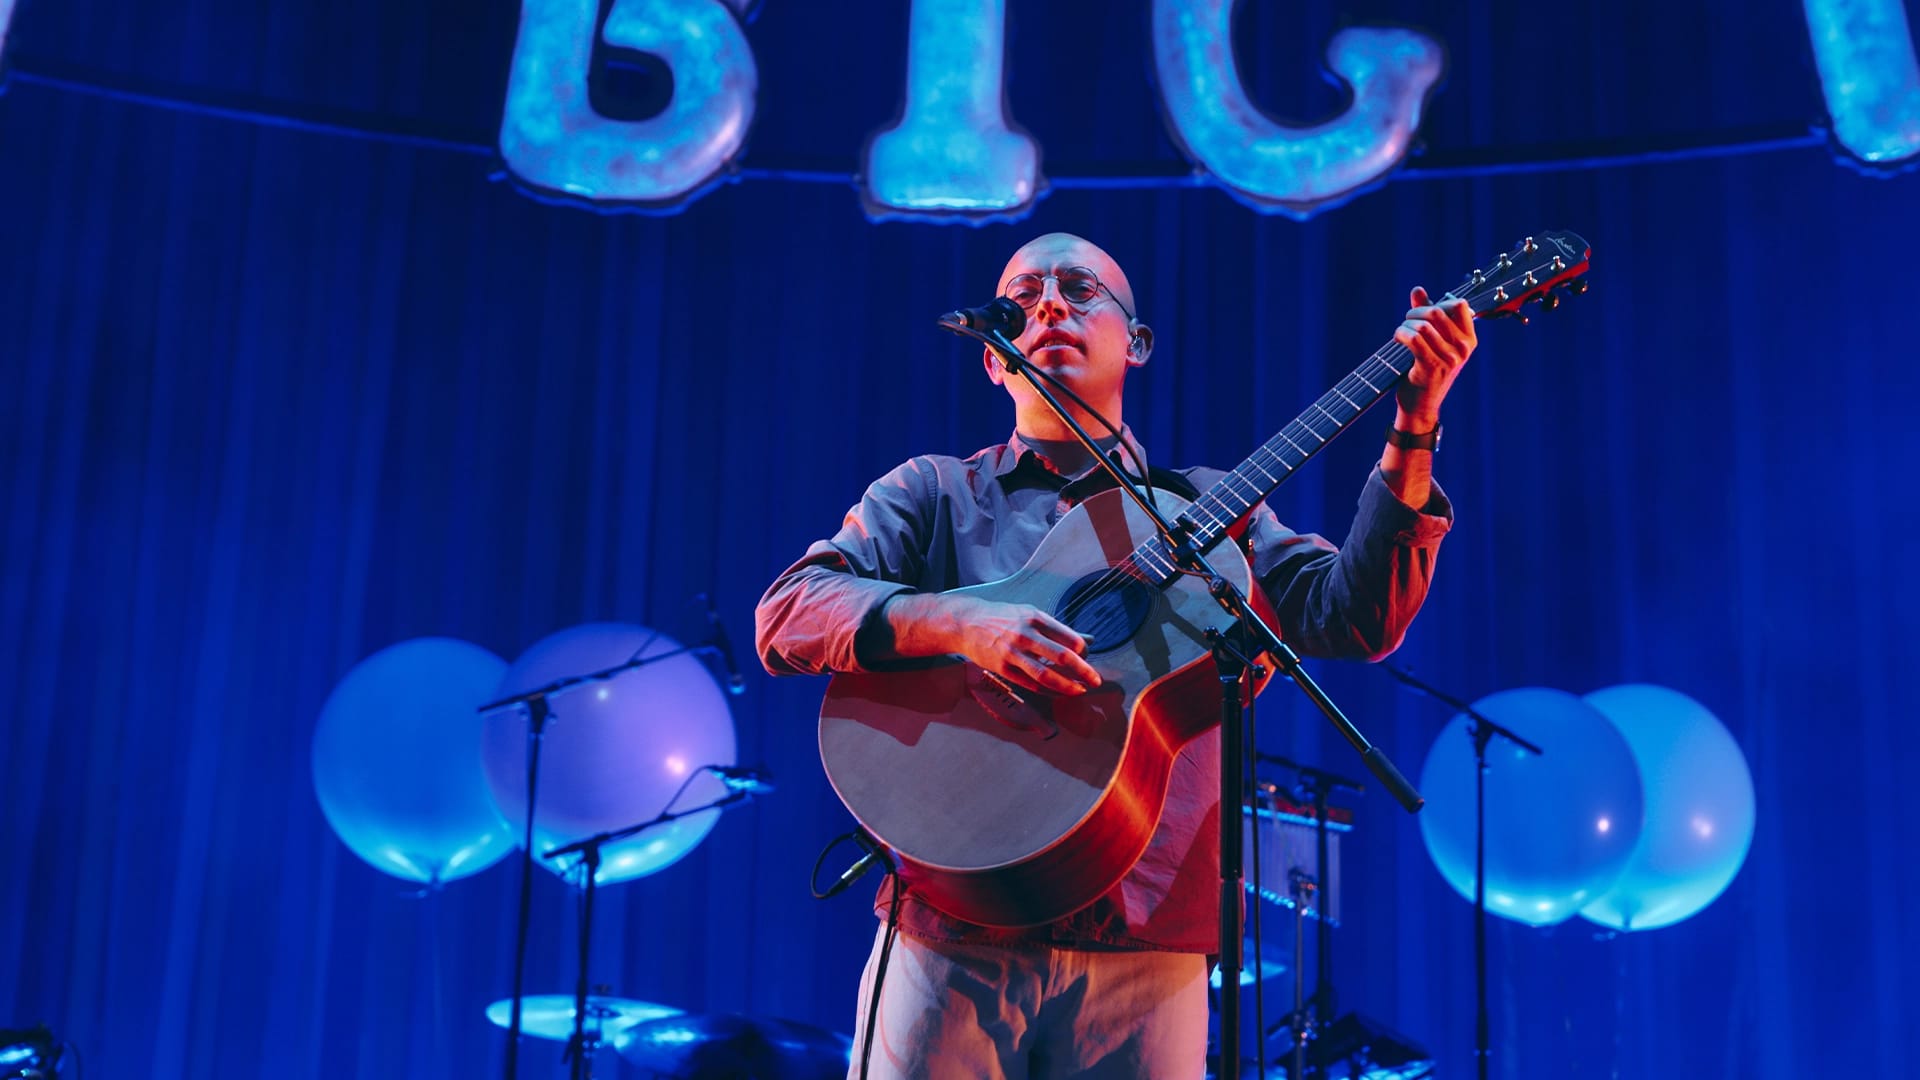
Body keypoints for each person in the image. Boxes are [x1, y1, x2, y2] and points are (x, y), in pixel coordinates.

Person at [754, 233, 1476, 1079]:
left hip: (1148, 932)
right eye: (1024, 296)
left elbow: (1357, 618)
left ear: (1134, 343)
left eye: (1078, 288)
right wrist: (960, 624)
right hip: (953, 924)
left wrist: (1415, 426)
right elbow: (788, 612)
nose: (1051, 304)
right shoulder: (935, 492)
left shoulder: (1210, 507)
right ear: (994, 359)